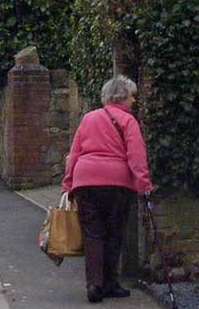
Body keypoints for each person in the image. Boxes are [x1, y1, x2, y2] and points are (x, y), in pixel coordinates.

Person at [61, 75, 153, 304]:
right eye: (132, 96)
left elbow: (75, 153)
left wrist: (68, 183)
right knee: (113, 234)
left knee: (93, 234)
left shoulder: (89, 118)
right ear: (122, 97)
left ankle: (94, 284)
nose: (134, 101)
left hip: (86, 182)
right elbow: (137, 156)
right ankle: (110, 283)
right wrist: (144, 185)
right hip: (117, 183)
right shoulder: (128, 121)